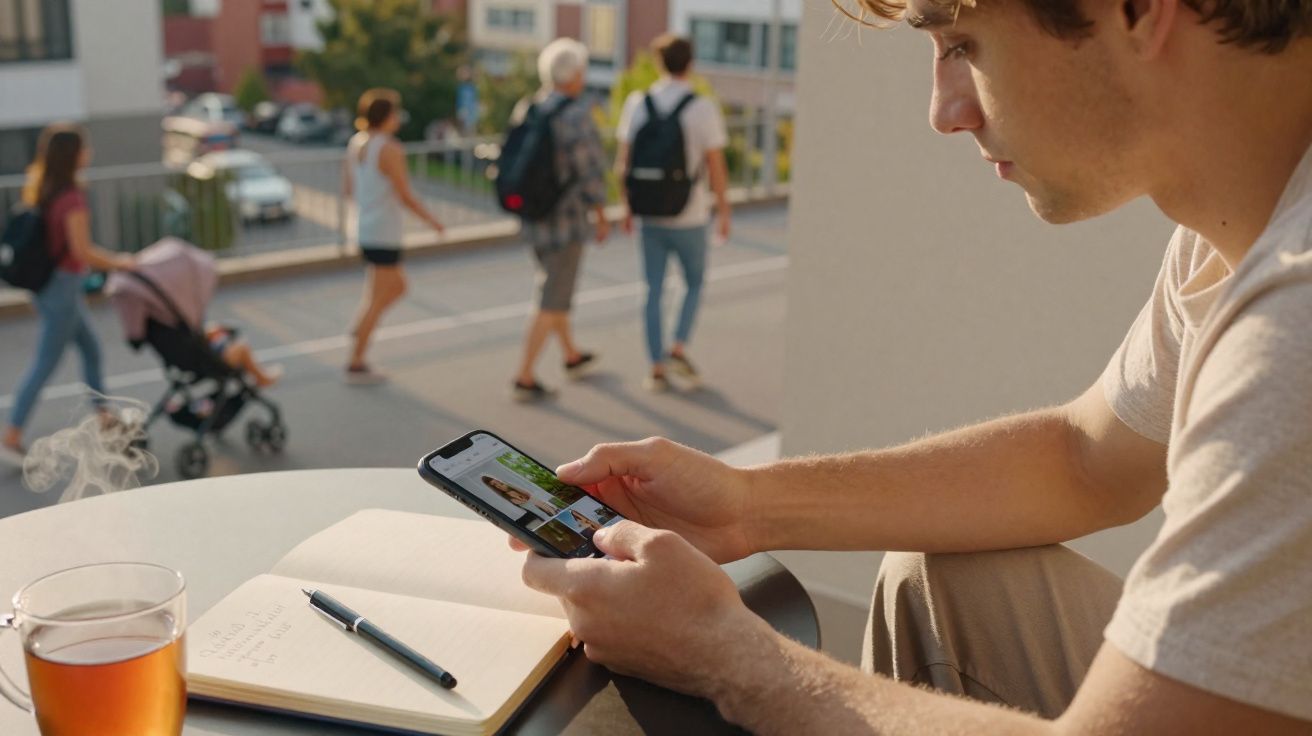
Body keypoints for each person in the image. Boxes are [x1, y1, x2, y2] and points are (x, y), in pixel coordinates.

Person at [509, 1, 1312, 733]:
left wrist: (724, 652)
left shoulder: (1295, 318)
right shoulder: (1228, 236)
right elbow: (1087, 460)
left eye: (962, 44)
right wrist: (744, 508)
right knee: (946, 579)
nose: (945, 112)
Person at [2, 124, 135, 468]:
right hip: (62, 289)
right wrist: (121, 262)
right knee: (44, 364)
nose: (88, 153)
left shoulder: (47, 190)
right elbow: (82, 250)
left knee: (91, 350)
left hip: (53, 288)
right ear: (74, 155)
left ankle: (105, 418)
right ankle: (12, 434)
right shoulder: (72, 197)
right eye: (84, 148)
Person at [616, 35, 731, 392]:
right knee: (693, 283)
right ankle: (678, 347)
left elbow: (623, 163)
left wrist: (626, 205)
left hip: (650, 213)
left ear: (658, 62)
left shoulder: (638, 103)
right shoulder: (702, 107)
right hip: (690, 214)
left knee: (652, 289)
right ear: (691, 64)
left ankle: (655, 367)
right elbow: (715, 165)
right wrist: (723, 209)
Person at [510, 38, 610, 402]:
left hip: (532, 217)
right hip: (565, 220)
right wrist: (601, 213)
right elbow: (590, 171)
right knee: (552, 297)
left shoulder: (529, 106)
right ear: (575, 75)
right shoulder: (575, 115)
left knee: (554, 287)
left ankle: (571, 355)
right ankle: (524, 376)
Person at [340, 88, 445, 385]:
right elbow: (404, 194)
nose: (399, 118)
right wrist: (433, 222)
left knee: (385, 289)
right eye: (396, 113)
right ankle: (357, 358)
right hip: (384, 232)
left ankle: (361, 328)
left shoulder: (357, 144)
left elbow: (348, 188)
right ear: (386, 116)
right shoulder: (389, 149)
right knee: (389, 290)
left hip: (364, 227)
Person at [204, 324, 282, 388]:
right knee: (242, 347)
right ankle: (262, 378)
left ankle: (258, 378)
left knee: (217, 332)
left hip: (202, 358)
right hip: (213, 362)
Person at [481, 475, 560, 519]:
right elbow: (520, 501)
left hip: (534, 502)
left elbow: (527, 494)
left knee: (539, 502)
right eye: (495, 485)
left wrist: (510, 486)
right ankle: (553, 513)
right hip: (533, 507)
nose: (498, 485)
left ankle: (554, 511)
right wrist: (521, 498)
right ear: (494, 487)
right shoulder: (507, 496)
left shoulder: (510, 487)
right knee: (538, 504)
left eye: (498, 482)